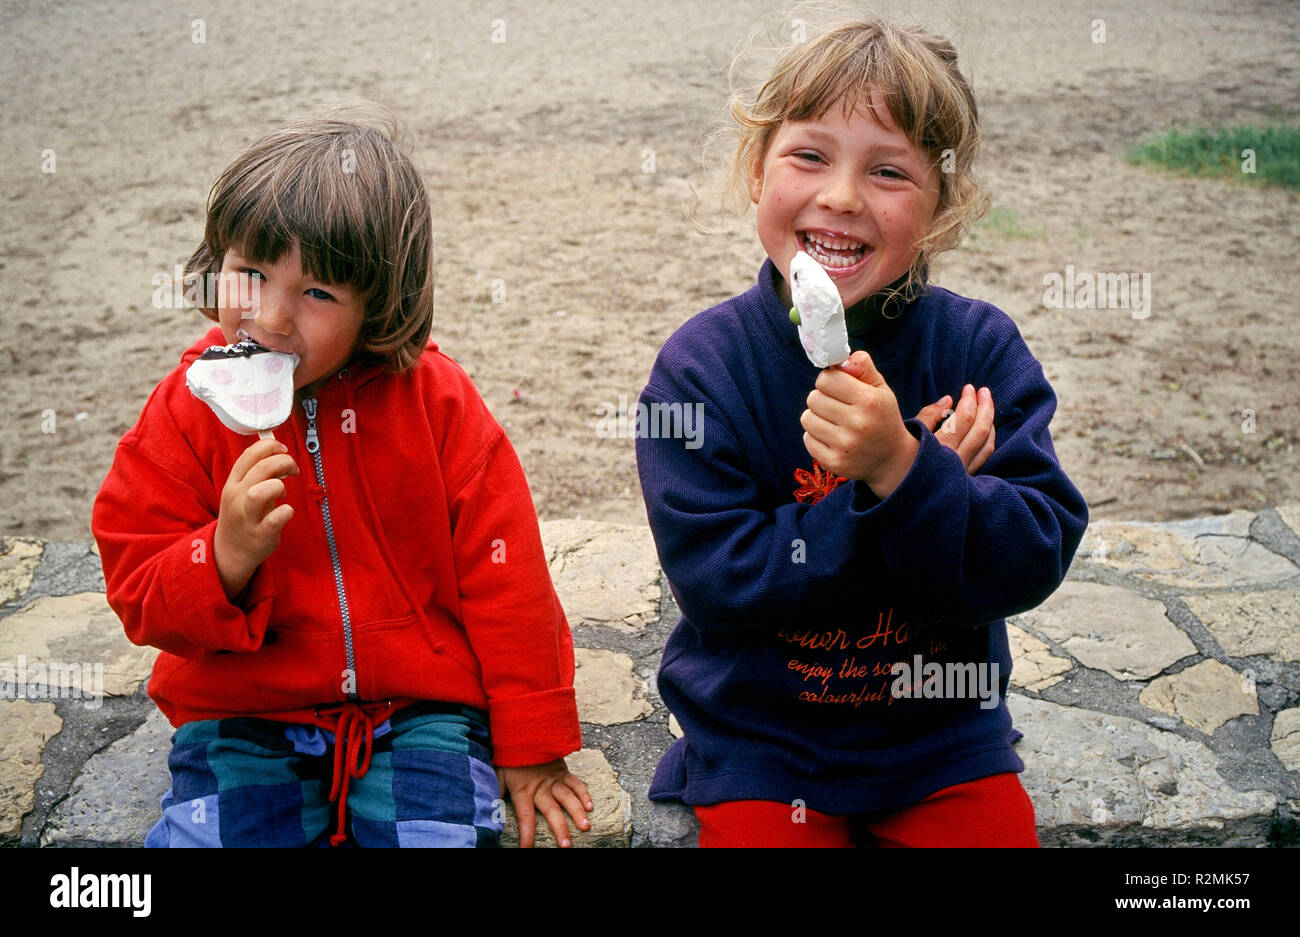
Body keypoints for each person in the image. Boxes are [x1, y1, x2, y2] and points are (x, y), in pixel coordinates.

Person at [635, 19, 1088, 847]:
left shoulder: (978, 353)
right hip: (763, 740)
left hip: (941, 739)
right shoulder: (701, 372)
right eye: (809, 156)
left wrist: (906, 470)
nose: (841, 195)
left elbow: (1032, 552)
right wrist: (884, 492)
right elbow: (715, 579)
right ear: (755, 170)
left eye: (887, 172)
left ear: (942, 206)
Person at [93, 106, 592, 848]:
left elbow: (506, 573)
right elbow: (137, 586)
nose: (272, 315)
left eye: (318, 293)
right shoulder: (186, 411)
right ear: (218, 263)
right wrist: (221, 555)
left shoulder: (437, 403)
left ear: (380, 304)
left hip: (420, 704)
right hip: (243, 708)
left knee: (442, 836)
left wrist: (530, 737)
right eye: (250, 274)